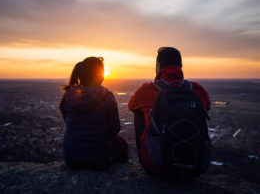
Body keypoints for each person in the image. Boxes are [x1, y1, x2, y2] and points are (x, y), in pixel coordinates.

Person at [128, 47, 211, 180]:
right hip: (194, 170)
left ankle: (149, 154)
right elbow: (207, 106)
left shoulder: (147, 90)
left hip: (155, 167)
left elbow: (131, 106)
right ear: (180, 67)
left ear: (158, 66)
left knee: (139, 113)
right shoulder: (197, 90)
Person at [60, 57, 128, 170]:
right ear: (100, 75)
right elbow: (114, 129)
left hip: (72, 159)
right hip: (99, 160)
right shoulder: (107, 95)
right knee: (121, 143)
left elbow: (68, 123)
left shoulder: (69, 95)